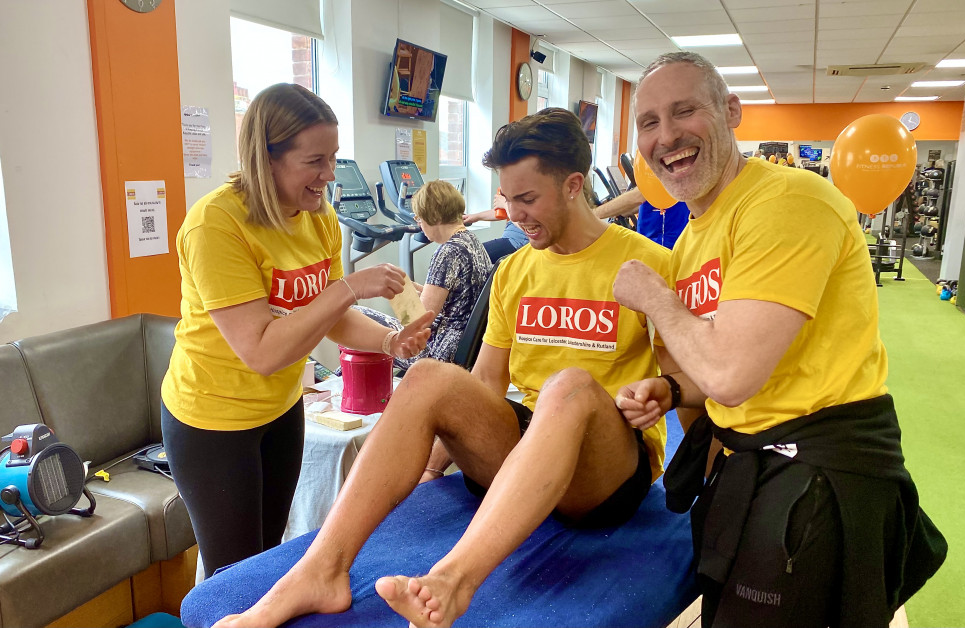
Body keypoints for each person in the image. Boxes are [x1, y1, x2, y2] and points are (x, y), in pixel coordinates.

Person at [213, 107, 700, 628]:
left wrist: (675, 419)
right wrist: (428, 468)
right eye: (507, 200)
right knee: (428, 375)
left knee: (570, 387)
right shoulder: (514, 270)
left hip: (603, 475)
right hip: (525, 456)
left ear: (575, 185)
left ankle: (451, 582)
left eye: (528, 199)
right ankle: (319, 571)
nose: (514, 215)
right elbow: (486, 386)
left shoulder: (648, 265)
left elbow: (691, 383)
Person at [613, 51, 946, 627]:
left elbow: (733, 375)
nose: (666, 136)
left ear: (731, 111)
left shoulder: (786, 203)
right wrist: (671, 389)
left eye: (684, 110)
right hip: (756, 469)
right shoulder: (695, 238)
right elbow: (719, 368)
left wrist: (656, 297)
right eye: (648, 122)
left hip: (819, 478)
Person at [160, 83, 433, 579]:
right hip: (213, 421)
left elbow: (329, 319)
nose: (329, 175)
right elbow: (261, 352)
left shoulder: (319, 217)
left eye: (333, 158)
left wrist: (390, 341)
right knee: (235, 578)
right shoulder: (215, 226)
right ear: (267, 158)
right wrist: (348, 287)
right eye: (315, 161)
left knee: (270, 560)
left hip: (281, 411)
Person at [351, 179, 492, 371]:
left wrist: (397, 296)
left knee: (354, 314)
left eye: (419, 218)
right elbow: (455, 297)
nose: (420, 224)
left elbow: (418, 321)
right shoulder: (472, 242)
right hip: (464, 345)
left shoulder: (447, 252)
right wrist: (408, 286)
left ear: (432, 216)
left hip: (438, 350)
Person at [594, 186, 690, 249]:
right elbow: (646, 202)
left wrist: (593, 214)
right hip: (654, 242)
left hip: (662, 246)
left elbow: (639, 196)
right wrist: (620, 212)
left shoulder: (662, 167)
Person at [463, 189, 529, 263]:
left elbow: (527, 224)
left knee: (468, 257)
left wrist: (504, 204)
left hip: (518, 242)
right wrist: (475, 217)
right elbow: (503, 213)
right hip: (510, 239)